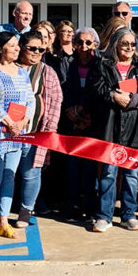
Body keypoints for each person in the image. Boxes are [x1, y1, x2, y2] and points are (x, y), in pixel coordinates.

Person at [89, 27, 138, 232]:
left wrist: (133, 99)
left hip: (135, 127)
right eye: (125, 43)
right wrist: (112, 95)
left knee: (131, 174)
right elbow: (95, 88)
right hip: (110, 126)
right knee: (108, 172)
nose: (130, 48)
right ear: (116, 44)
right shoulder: (103, 64)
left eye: (133, 44)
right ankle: (104, 216)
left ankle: (128, 215)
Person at [0, 31, 35, 241]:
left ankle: (4, 219)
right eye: (12, 45)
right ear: (2, 48)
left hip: (18, 132)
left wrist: (23, 121)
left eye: (17, 45)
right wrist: (8, 121)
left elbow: (30, 100)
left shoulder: (22, 72)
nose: (17, 49)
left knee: (10, 176)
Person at [14, 31, 63, 228]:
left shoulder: (46, 72)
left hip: (34, 132)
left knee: (31, 173)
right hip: (7, 133)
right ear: (21, 48)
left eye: (41, 50)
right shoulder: (9, 68)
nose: (36, 52)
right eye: (32, 48)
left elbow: (55, 101)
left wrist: (49, 132)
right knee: (7, 173)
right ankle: (1, 212)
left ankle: (25, 211)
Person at [56, 27, 101, 220]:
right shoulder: (67, 63)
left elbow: (98, 90)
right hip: (71, 121)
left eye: (88, 42)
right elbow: (62, 89)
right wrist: (72, 112)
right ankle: (73, 204)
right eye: (80, 42)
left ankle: (90, 206)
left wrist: (83, 111)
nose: (84, 46)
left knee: (91, 168)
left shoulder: (100, 64)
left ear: (95, 45)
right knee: (72, 166)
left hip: (92, 122)